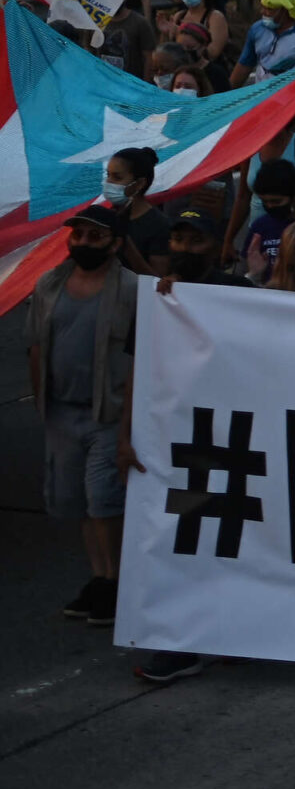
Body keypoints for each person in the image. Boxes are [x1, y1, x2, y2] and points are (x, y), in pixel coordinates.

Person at [36, 207, 142, 646]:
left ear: (116, 245)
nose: (82, 242)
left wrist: (127, 429)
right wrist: (42, 407)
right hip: (61, 411)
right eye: (77, 234)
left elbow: (140, 360)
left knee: (104, 499)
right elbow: (34, 346)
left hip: (107, 413)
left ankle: (117, 582)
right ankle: (99, 577)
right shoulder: (48, 285)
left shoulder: (134, 292)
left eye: (94, 237)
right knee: (76, 499)